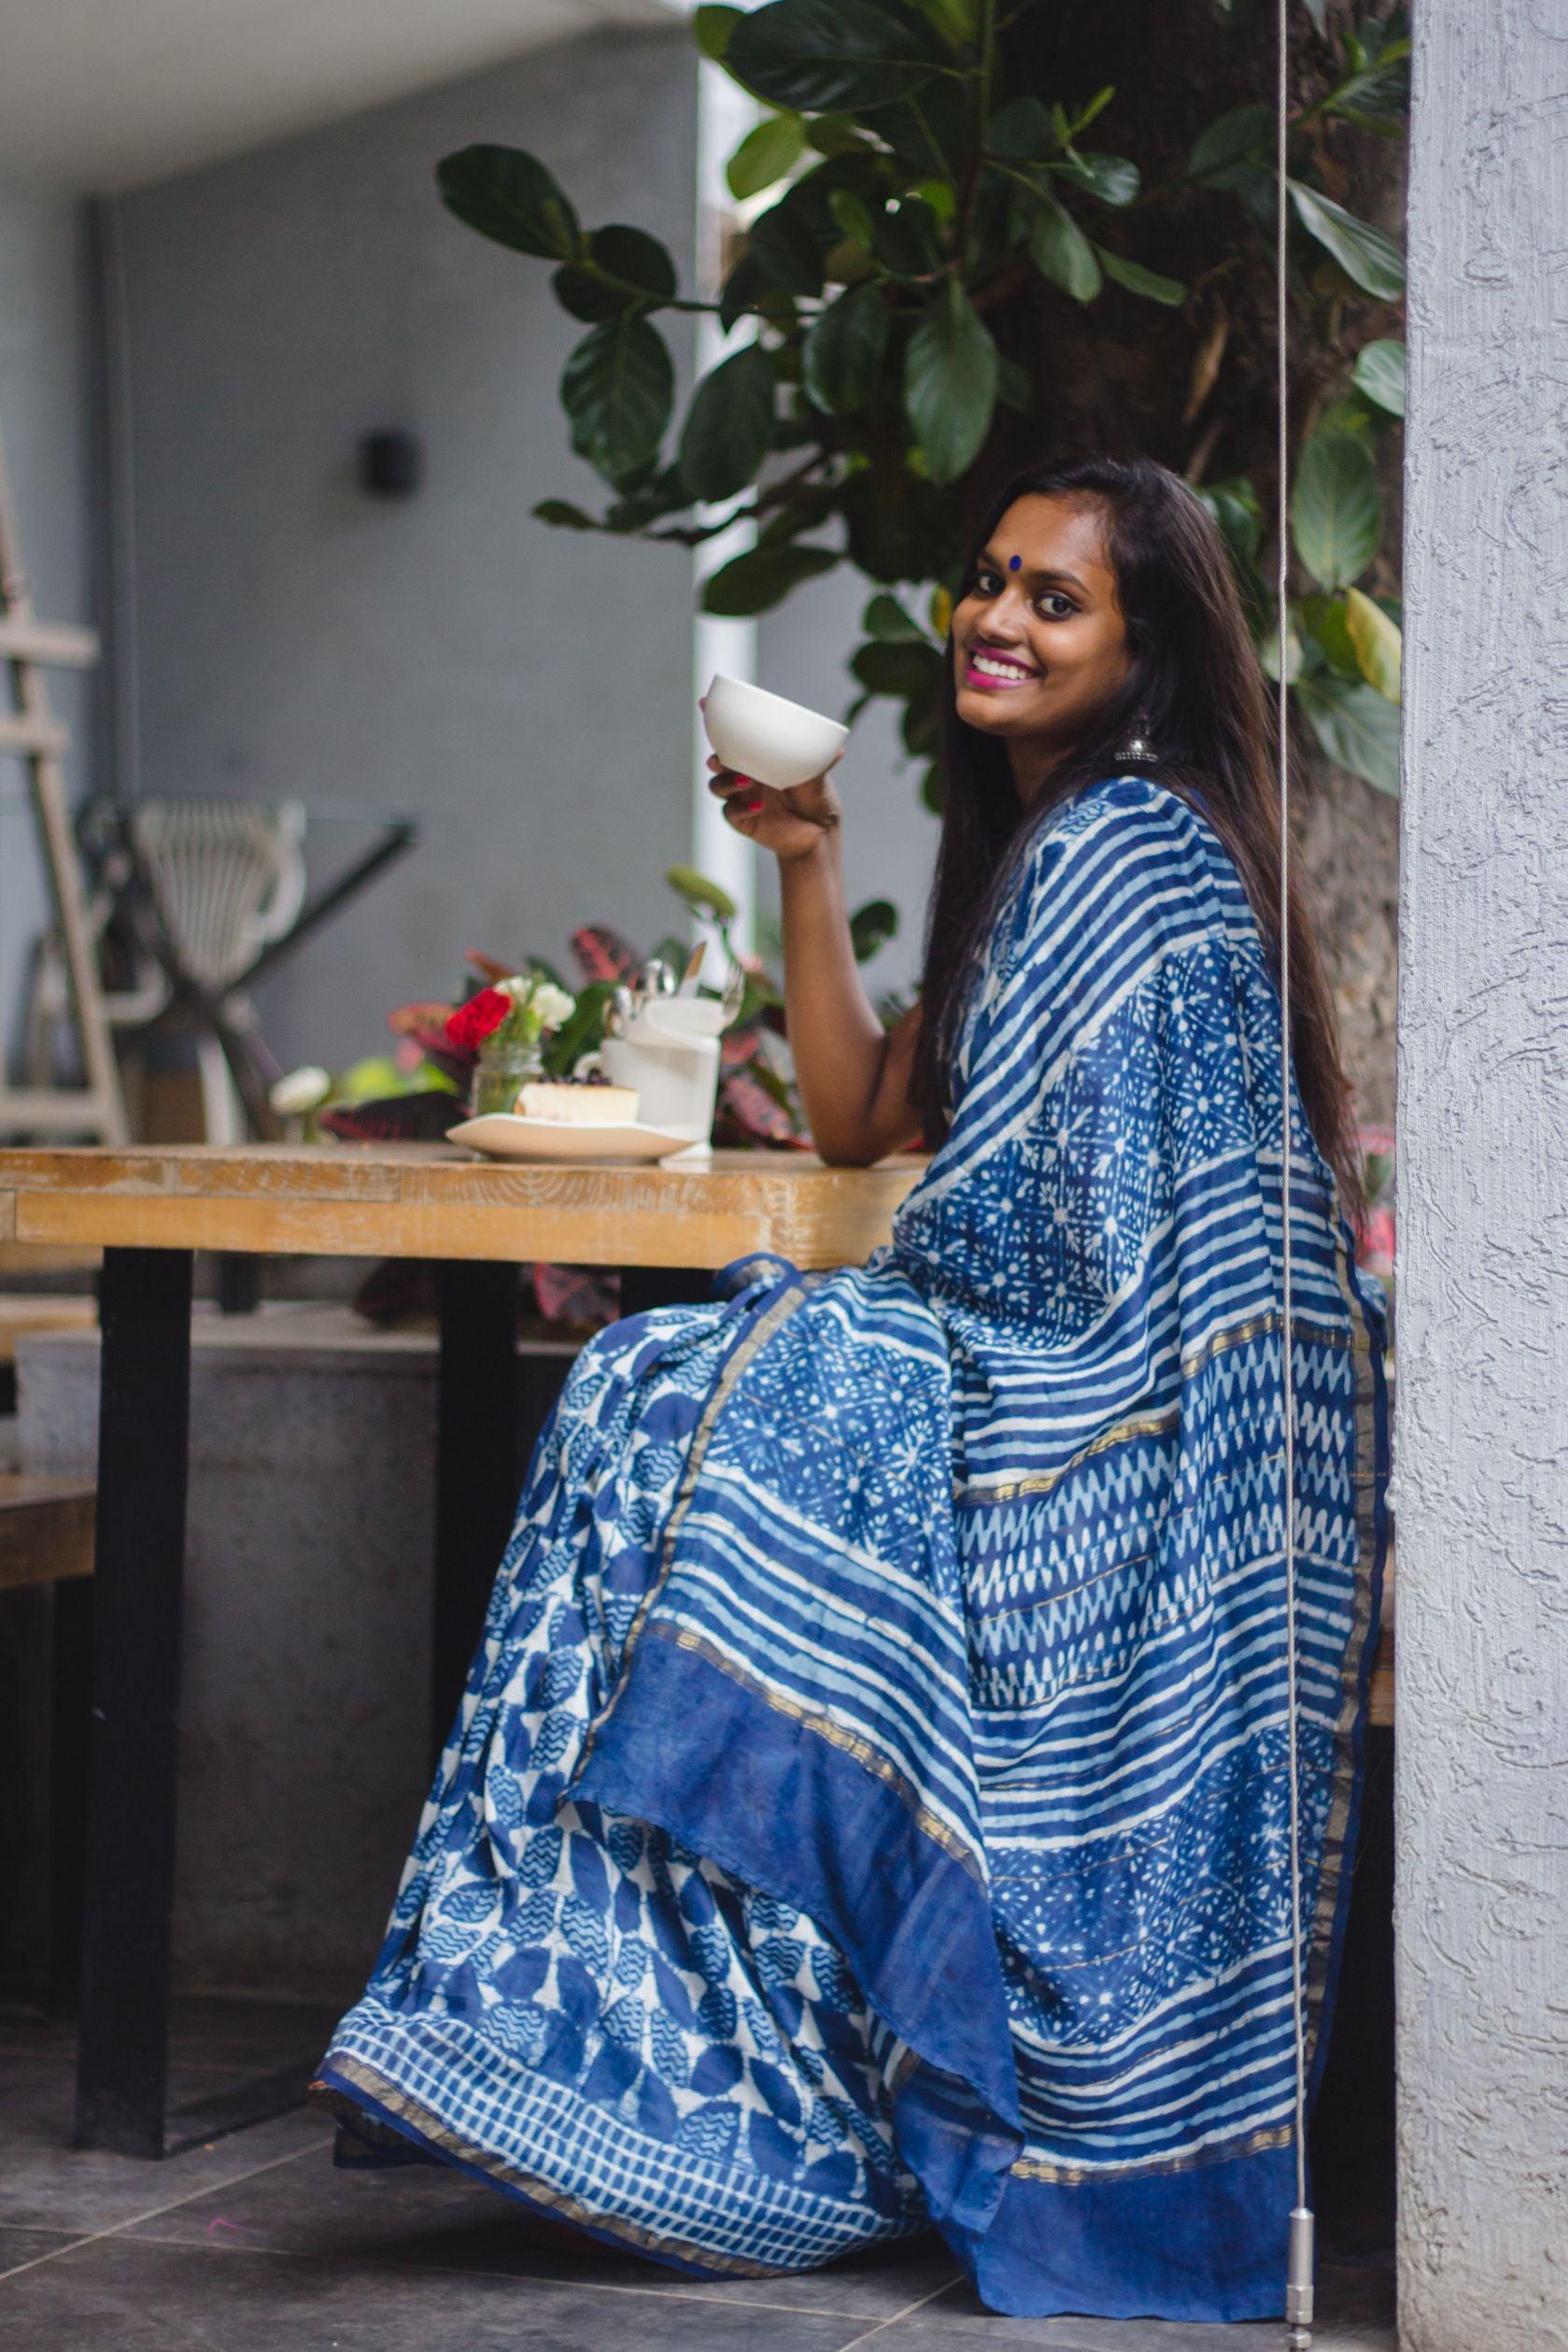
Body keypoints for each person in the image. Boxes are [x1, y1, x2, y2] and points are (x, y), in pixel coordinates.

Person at [311, 454, 1388, 2323]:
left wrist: (882, 1318)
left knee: (664, 1395)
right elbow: (869, 1117)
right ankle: (694, 2077)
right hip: (1055, 1354)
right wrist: (806, 855)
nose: (997, 617)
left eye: (1058, 598)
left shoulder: (1134, 849)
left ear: (1147, 650)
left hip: (1127, 1417)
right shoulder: (1040, 845)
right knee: (661, 1393)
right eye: (986, 582)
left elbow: (1108, 1237)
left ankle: (741, 2100)